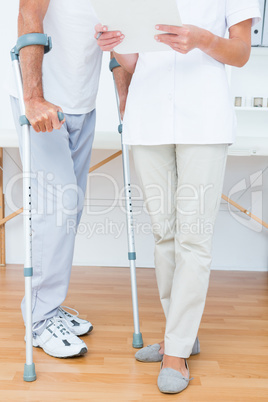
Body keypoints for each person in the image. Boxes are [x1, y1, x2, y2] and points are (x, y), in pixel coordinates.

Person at [95, 0, 261, 394]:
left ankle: (176, 351)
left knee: (193, 237)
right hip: (147, 117)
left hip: (203, 120)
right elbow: (135, 62)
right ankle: (180, 336)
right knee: (164, 234)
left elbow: (239, 54)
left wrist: (201, 39)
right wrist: (115, 44)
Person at [10, 0, 130, 359]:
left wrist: (125, 97)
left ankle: (45, 304)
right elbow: (29, 14)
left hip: (84, 101)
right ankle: (42, 319)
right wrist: (33, 99)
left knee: (69, 212)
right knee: (56, 212)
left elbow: (121, 35)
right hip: (44, 104)